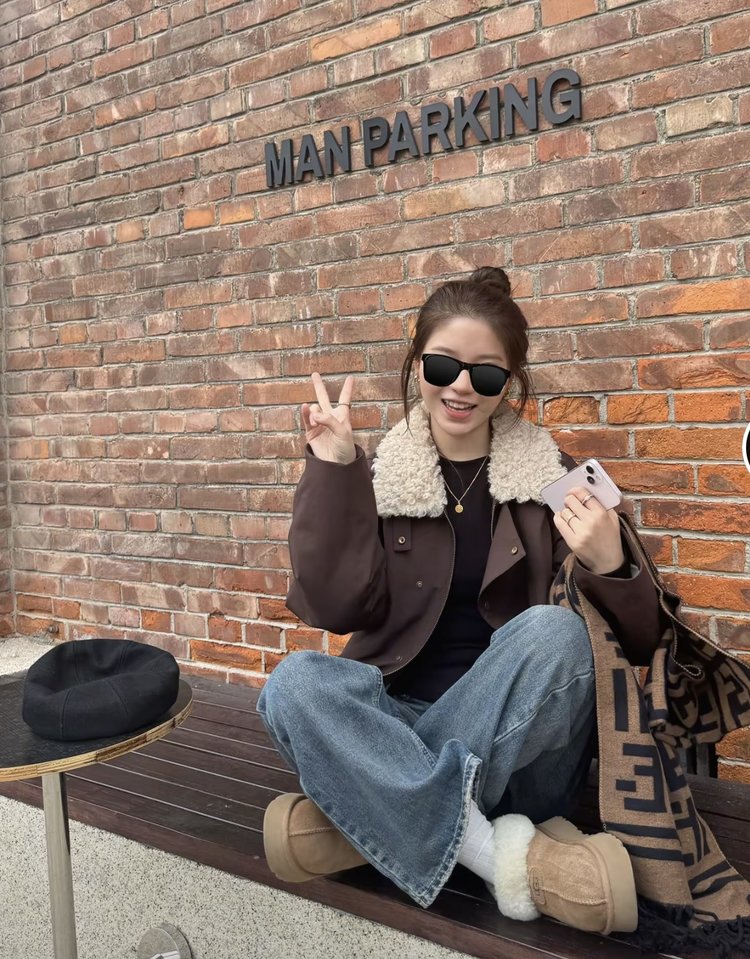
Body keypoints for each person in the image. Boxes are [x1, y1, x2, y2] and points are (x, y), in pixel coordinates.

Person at [257, 267, 662, 936]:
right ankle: (502, 854)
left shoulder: (561, 479)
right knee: (296, 683)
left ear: (511, 382)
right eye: (444, 366)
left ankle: (371, 812)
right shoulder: (376, 475)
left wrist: (610, 561)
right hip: (398, 715)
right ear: (418, 365)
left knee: (556, 634)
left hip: (526, 749)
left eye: (487, 374)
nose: (462, 387)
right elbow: (332, 607)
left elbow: (641, 644)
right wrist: (332, 470)